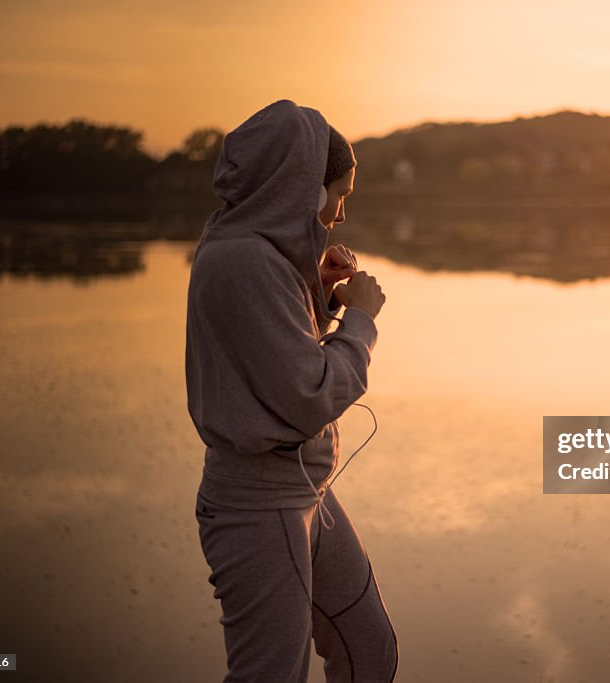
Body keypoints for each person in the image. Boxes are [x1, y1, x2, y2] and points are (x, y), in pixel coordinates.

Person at [185, 99, 397, 682]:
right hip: (259, 502)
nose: (341, 213)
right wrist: (361, 319)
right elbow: (310, 397)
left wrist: (322, 297)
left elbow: (271, 360)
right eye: (340, 194)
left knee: (368, 649)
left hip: (304, 490)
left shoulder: (255, 251)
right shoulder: (247, 259)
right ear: (303, 188)